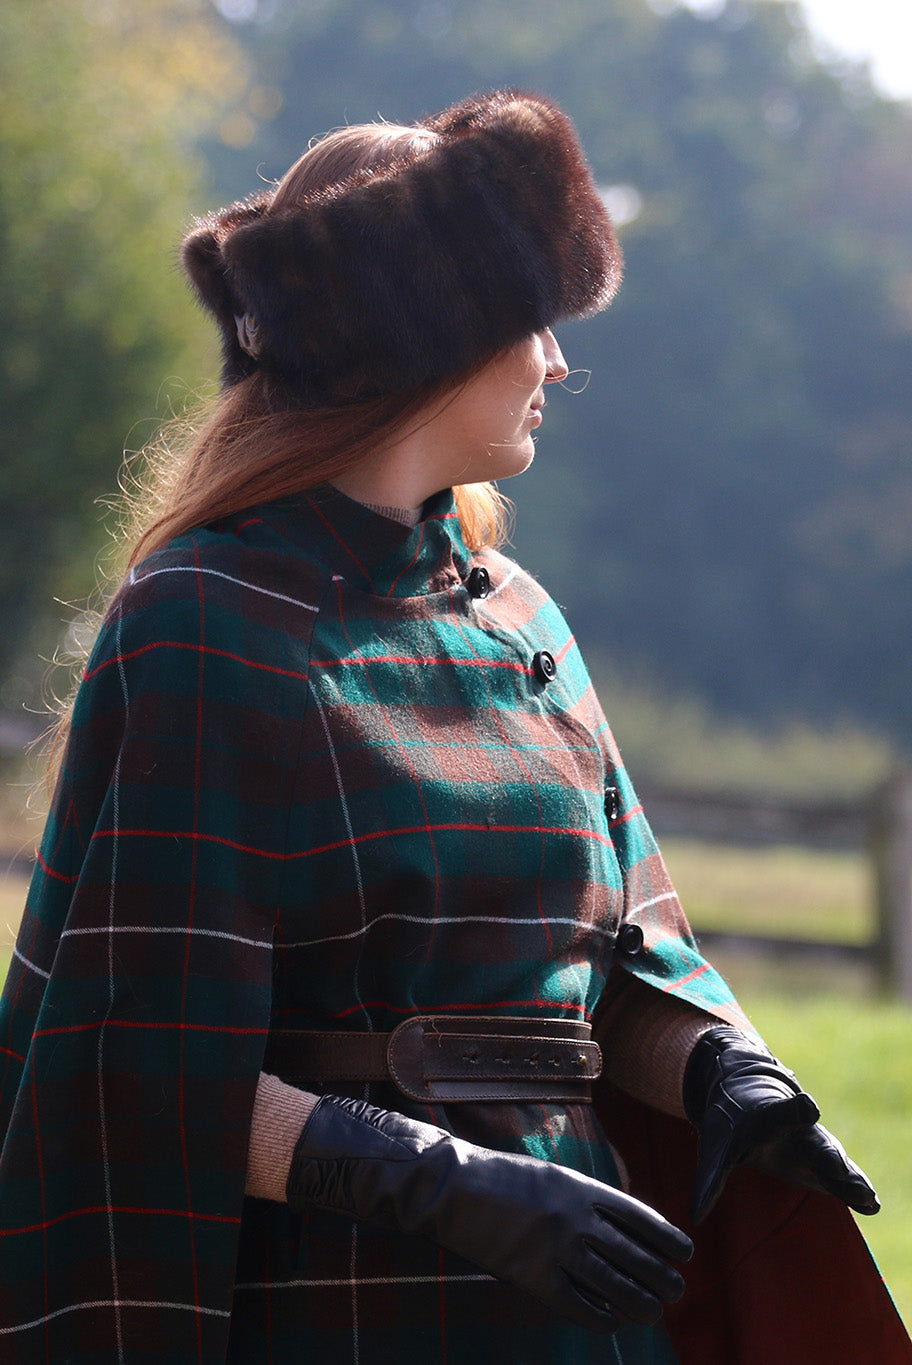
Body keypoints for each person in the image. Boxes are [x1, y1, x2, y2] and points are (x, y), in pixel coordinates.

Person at [0, 89, 908, 1365]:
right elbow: (132, 1068)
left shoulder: (521, 619)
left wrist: (718, 1072)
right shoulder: (205, 625)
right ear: (429, 334)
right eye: (528, 321)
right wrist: (441, 1181)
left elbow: (612, 972)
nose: (552, 360)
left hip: (590, 1310)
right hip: (353, 1312)